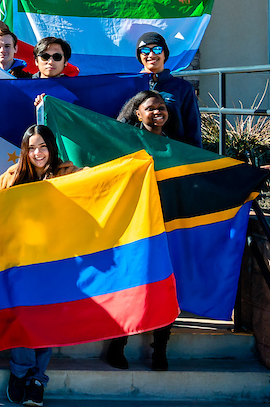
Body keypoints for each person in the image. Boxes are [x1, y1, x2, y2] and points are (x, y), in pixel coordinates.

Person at [0, 124, 81, 407]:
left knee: (46, 320)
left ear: (52, 148)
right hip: (20, 262)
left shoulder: (69, 174)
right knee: (25, 318)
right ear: (25, 151)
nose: (38, 152)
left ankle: (37, 379)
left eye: (43, 146)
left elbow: (98, 183)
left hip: (55, 263)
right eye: (32, 148)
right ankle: (20, 373)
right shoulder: (15, 176)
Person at [105, 89, 177, 372]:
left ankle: (160, 349)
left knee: (165, 286)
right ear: (137, 113)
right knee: (130, 283)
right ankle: (117, 345)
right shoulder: (127, 143)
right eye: (151, 108)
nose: (158, 111)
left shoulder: (175, 147)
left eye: (162, 107)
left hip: (165, 225)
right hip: (134, 224)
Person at [135, 32, 200, 146]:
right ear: (140, 56)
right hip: (140, 155)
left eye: (157, 49)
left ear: (165, 54)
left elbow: (193, 128)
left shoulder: (182, 88)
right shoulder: (132, 86)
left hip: (174, 155)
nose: (151, 55)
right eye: (145, 50)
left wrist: (195, 158)